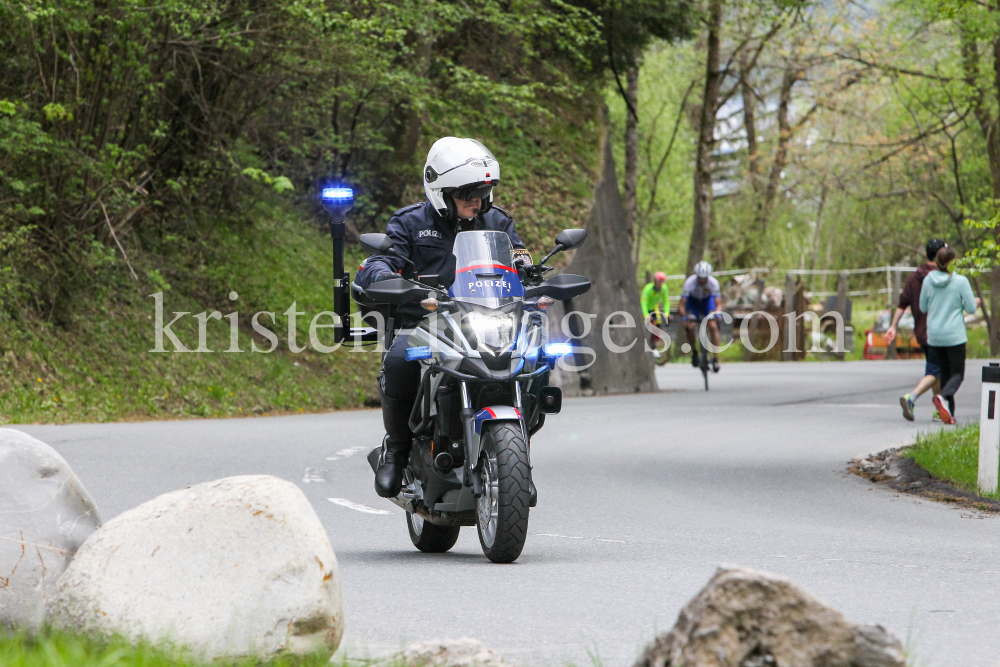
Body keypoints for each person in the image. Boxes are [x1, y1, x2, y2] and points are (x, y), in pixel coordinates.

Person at [356, 137, 528, 498]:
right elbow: (382, 260)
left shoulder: (496, 221)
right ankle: (397, 449)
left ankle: (515, 451)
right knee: (401, 358)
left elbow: (518, 257)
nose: (476, 200)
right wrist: (383, 274)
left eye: (482, 191)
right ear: (441, 191)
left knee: (534, 357)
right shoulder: (410, 222)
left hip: (486, 320)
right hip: (425, 322)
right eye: (467, 193)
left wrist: (530, 269)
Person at [887, 238, 946, 421]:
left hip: (921, 331)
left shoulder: (913, 277)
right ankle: (911, 397)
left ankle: (939, 409)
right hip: (938, 332)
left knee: (936, 370)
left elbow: (902, 304)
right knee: (935, 371)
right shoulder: (942, 277)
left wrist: (893, 326)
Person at [919, 246, 978, 425]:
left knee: (945, 372)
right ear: (953, 262)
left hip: (935, 335)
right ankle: (943, 397)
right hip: (954, 335)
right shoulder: (960, 282)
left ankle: (949, 413)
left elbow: (922, 307)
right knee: (958, 373)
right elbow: (971, 308)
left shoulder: (928, 280)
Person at [678, 261, 722, 372]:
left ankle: (715, 359)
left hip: (707, 302)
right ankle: (695, 352)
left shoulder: (714, 283)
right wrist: (684, 316)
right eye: (700, 278)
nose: (702, 281)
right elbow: (681, 304)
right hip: (693, 303)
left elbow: (718, 304)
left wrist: (717, 313)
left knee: (713, 326)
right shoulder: (689, 283)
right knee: (690, 326)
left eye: (704, 278)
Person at [641, 271, 670, 358]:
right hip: (645, 309)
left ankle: (654, 346)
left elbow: (666, 301)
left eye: (662, 282)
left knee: (657, 326)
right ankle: (648, 345)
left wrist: (666, 313)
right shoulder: (648, 288)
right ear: (655, 280)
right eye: (658, 281)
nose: (660, 283)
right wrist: (646, 315)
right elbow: (643, 302)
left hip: (654, 308)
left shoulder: (664, 288)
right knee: (650, 326)